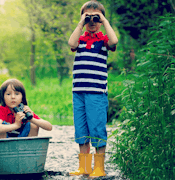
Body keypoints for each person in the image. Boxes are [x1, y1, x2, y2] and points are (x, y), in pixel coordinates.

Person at [68, 0, 118, 177]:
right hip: (78, 92)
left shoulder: (103, 40)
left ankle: (99, 167)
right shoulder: (80, 40)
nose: (92, 21)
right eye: (88, 17)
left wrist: (104, 21)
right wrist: (81, 23)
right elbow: (71, 43)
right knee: (81, 130)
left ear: (101, 19)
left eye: (95, 18)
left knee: (97, 128)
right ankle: (84, 167)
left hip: (96, 92)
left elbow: (114, 40)